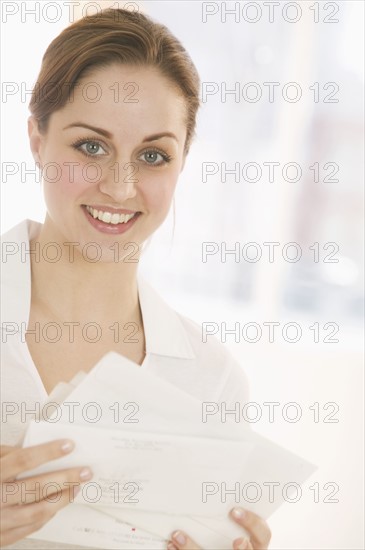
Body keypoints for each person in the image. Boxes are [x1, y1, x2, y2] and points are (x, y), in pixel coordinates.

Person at [0, 8, 271, 550]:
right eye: (91, 146)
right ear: (37, 140)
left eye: (152, 155)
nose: (121, 188)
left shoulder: (211, 381)